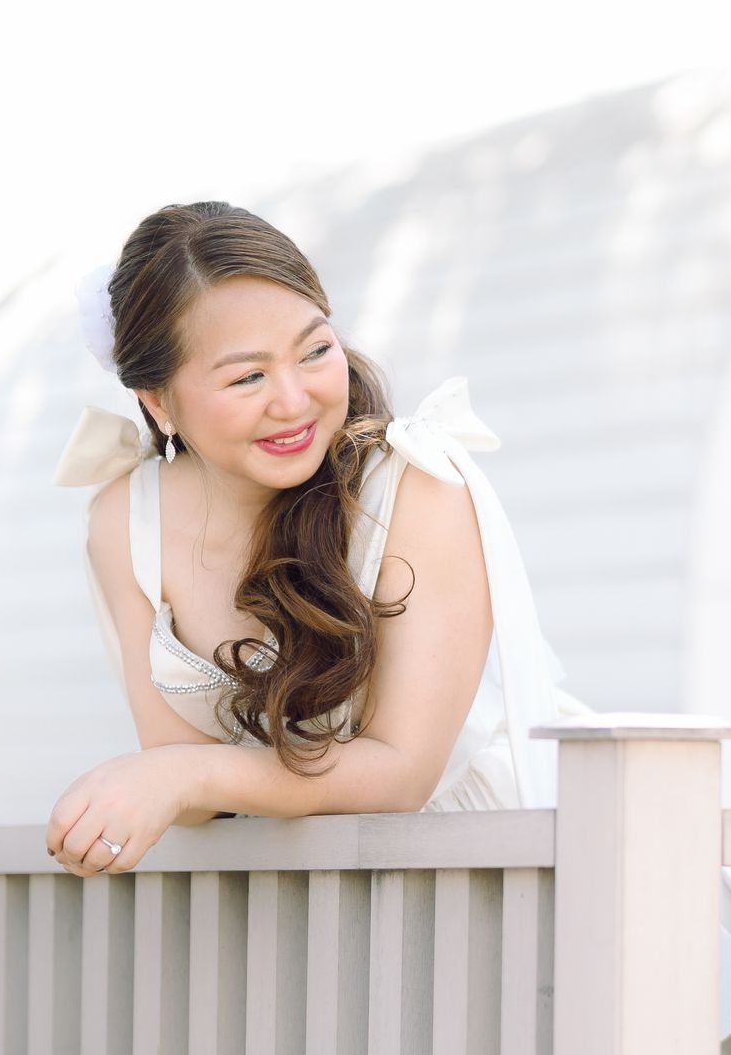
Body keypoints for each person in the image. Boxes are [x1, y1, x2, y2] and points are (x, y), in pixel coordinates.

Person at [46, 201, 584, 875]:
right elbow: (183, 782)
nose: (295, 401)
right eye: (248, 376)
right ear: (158, 401)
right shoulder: (124, 519)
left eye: (315, 351)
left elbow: (402, 773)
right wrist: (145, 789)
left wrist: (182, 776)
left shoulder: (415, 485)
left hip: (485, 856)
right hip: (305, 886)